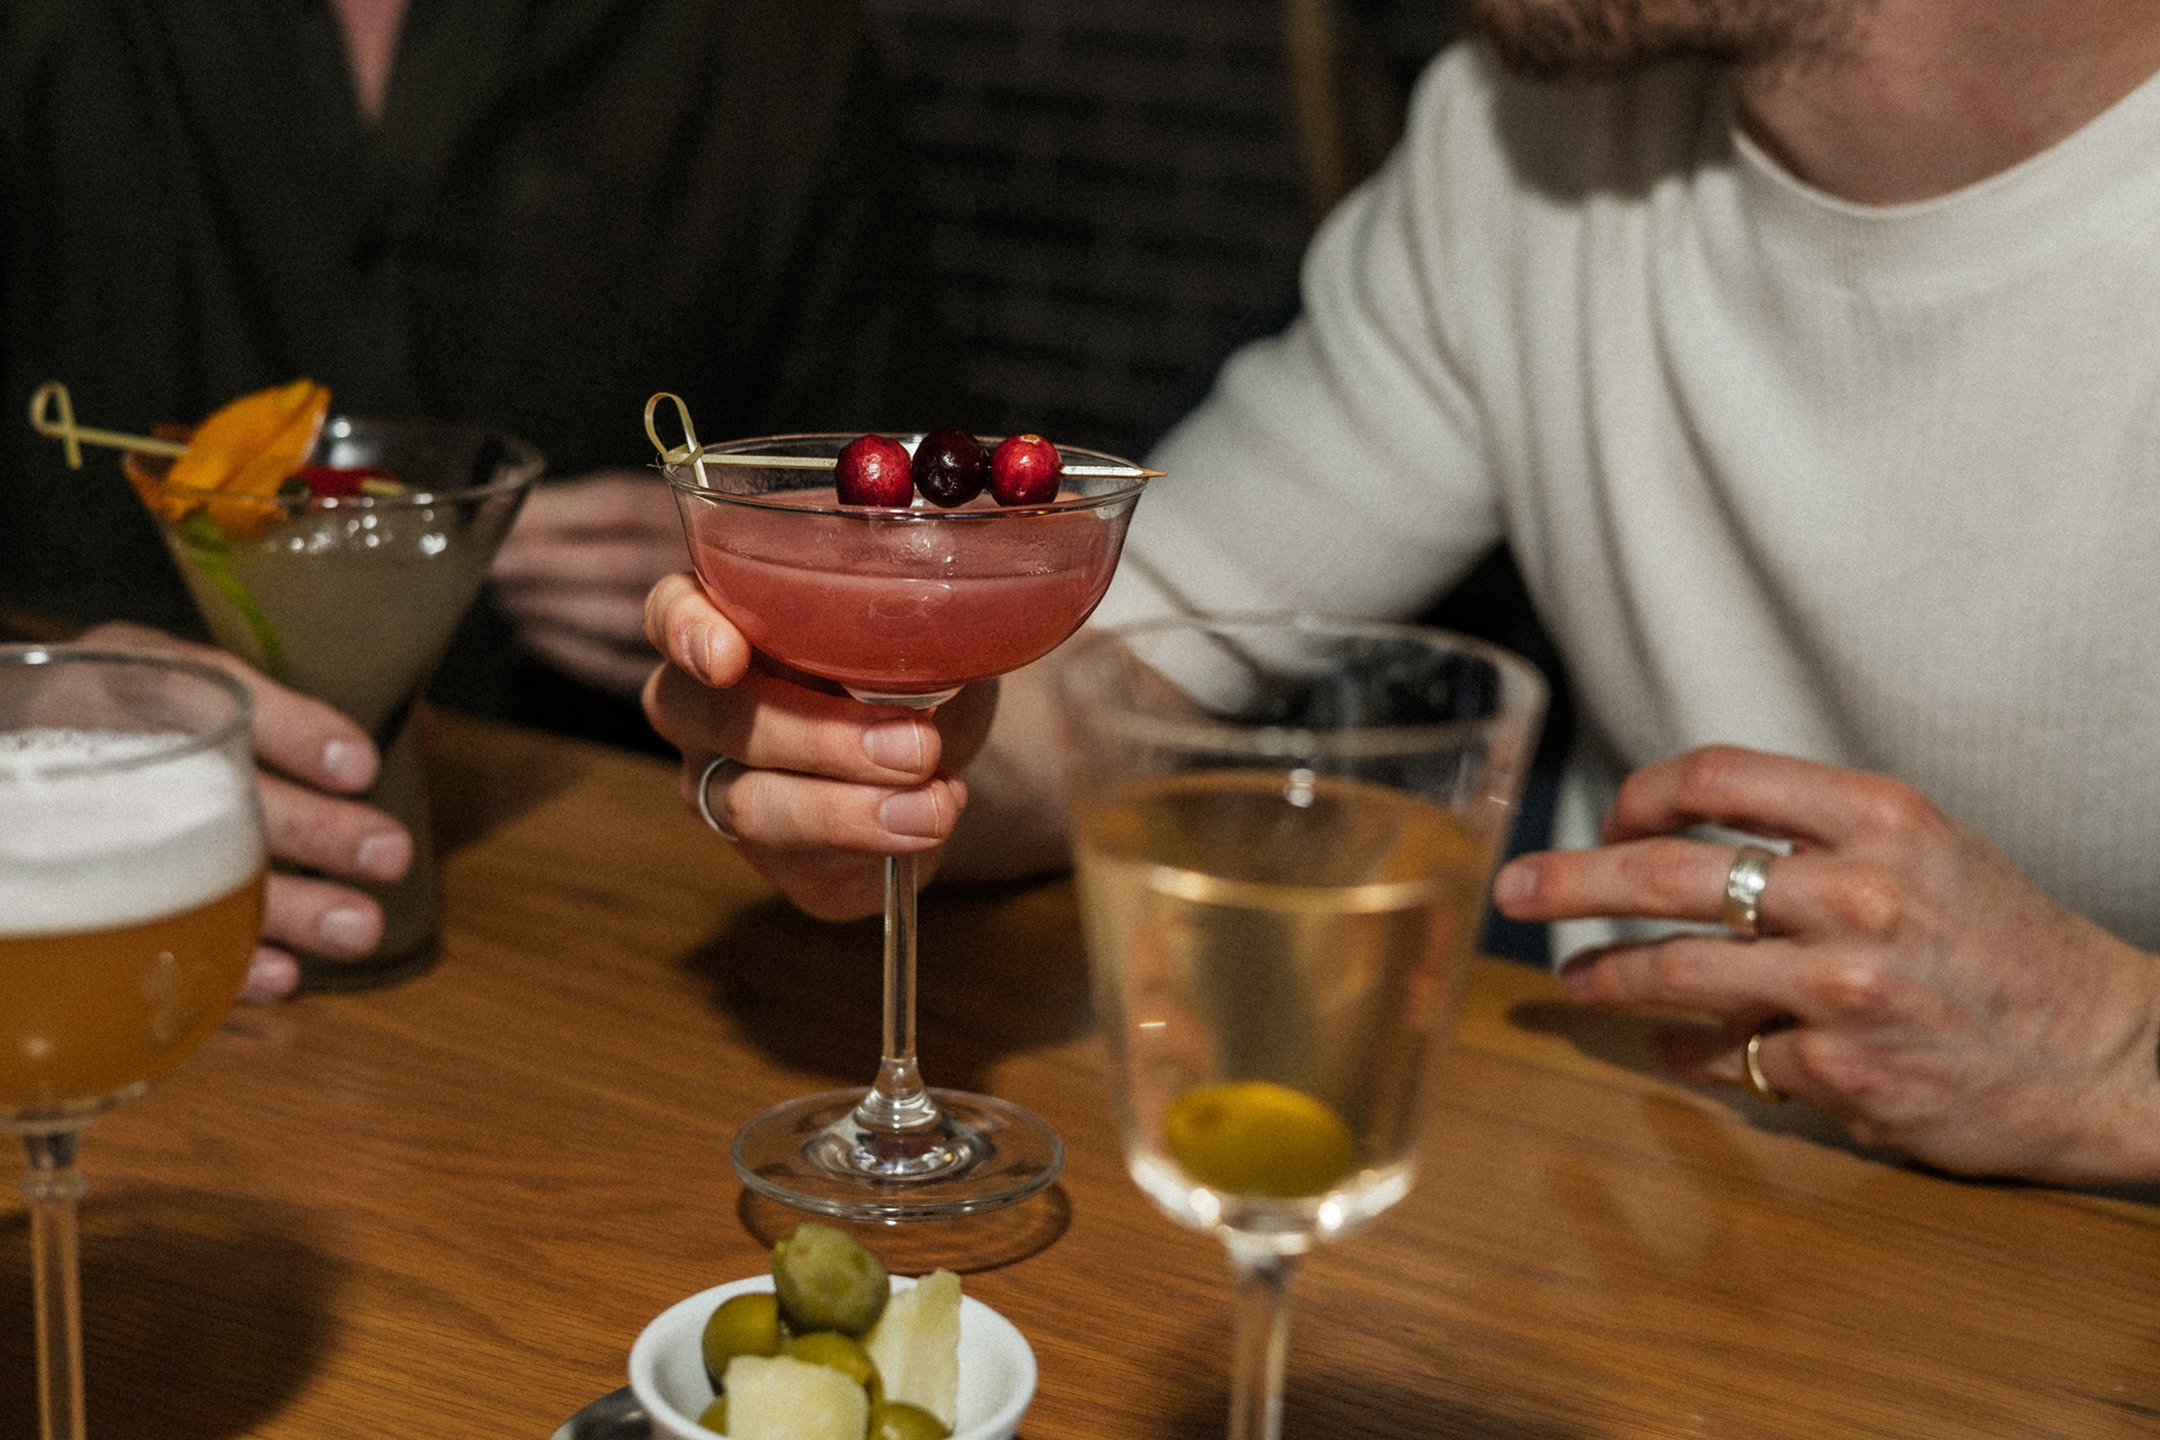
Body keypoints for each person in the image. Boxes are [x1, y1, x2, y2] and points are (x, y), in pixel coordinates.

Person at [639, 0, 2160, 1187]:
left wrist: (2116, 1057)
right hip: (1624, 1184)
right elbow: (1119, 661)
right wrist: (866, 753)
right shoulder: (1521, 143)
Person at [2, 0, 950, 996]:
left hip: (629, 932)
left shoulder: (778, 53)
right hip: (79, 935)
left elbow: (928, 543)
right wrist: (23, 717)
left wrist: (774, 587)